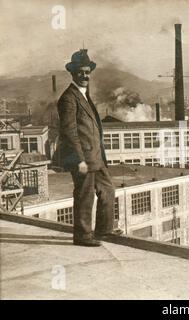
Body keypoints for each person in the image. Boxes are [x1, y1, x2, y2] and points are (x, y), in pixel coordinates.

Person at [57, 49, 122, 246]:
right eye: (81, 72)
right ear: (73, 73)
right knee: (84, 196)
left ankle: (104, 231)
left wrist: (99, 156)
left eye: (88, 72)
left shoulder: (84, 95)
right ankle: (83, 235)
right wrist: (80, 159)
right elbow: (70, 132)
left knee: (108, 190)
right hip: (84, 158)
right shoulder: (68, 98)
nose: (85, 75)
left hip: (96, 157)